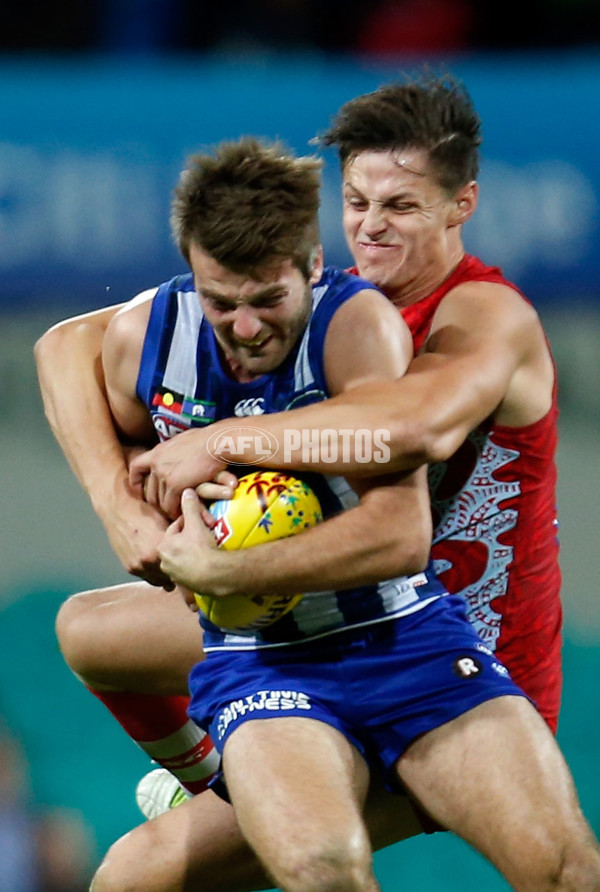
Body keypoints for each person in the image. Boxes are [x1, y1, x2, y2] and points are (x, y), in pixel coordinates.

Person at [33, 74, 598, 890]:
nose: (372, 226)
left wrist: (220, 440)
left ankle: (238, 772)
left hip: (456, 643)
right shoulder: (305, 305)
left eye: (400, 206)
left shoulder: (476, 315)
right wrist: (119, 506)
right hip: (306, 622)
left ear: (461, 203)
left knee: (564, 871)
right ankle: (212, 773)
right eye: (359, 201)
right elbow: (62, 348)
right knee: (92, 635)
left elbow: (412, 429)